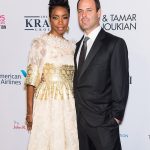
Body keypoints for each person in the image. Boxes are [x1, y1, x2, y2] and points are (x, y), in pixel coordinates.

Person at [73, 0, 129, 150]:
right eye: (80, 11)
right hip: (80, 127)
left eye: (89, 10)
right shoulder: (77, 46)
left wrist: (115, 118)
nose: (83, 15)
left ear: (99, 13)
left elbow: (120, 85)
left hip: (104, 127)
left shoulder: (115, 44)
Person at [25, 0, 79, 150]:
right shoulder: (40, 44)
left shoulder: (73, 47)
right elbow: (31, 80)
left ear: (69, 19)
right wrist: (30, 113)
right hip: (46, 104)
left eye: (65, 17)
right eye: (55, 17)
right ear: (49, 19)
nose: (60, 22)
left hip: (68, 105)